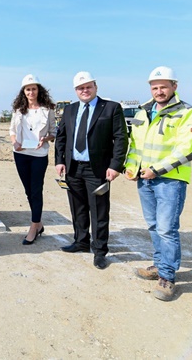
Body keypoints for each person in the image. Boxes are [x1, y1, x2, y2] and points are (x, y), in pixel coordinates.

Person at [124, 66, 192, 301]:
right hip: (144, 179)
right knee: (153, 225)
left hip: (170, 180)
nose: (159, 91)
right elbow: (135, 145)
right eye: (155, 87)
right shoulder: (142, 113)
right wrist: (131, 167)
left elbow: (188, 149)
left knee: (167, 229)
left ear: (174, 87)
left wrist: (156, 170)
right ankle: (158, 265)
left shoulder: (187, 112)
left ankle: (167, 277)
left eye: (163, 87)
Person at [54, 71, 128, 270]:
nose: (84, 90)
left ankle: (100, 251)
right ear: (75, 90)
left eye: (88, 86)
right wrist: (59, 161)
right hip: (73, 168)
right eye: (80, 88)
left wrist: (115, 165)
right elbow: (61, 138)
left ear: (96, 87)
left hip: (98, 169)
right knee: (77, 208)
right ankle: (81, 241)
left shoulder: (111, 108)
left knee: (99, 211)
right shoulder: (69, 110)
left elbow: (121, 138)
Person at [9, 74, 56, 245]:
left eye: (34, 89)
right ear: (24, 91)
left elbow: (53, 132)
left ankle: (33, 226)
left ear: (39, 90)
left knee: (36, 190)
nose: (31, 92)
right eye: (28, 89)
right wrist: (15, 142)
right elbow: (12, 131)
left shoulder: (48, 110)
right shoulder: (18, 110)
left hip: (39, 155)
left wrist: (46, 138)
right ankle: (39, 223)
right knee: (28, 191)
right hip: (20, 154)